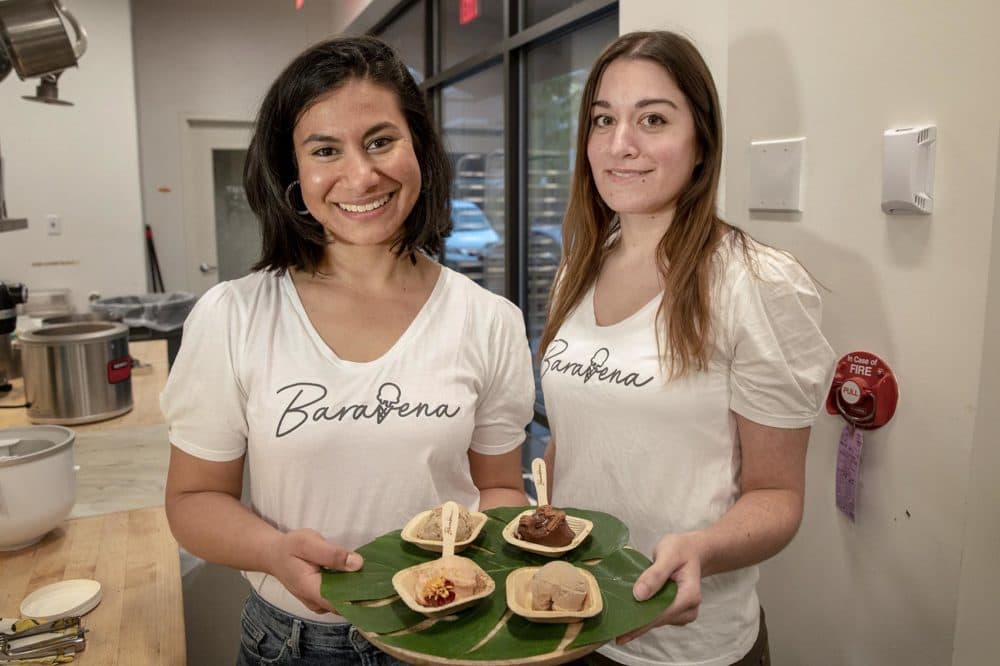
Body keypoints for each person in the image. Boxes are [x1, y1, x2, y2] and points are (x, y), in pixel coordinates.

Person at [161, 35, 534, 666]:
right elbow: (194, 501)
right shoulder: (234, 315)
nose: (361, 175)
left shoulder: (488, 320)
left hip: (448, 629)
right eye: (325, 150)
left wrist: (487, 566)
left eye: (382, 140)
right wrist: (271, 551)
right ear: (293, 171)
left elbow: (497, 488)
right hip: (297, 641)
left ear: (418, 146)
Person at [540, 31, 836, 666]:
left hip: (688, 647)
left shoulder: (755, 282)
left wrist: (701, 548)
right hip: (571, 623)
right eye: (603, 120)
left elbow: (777, 496)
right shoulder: (580, 267)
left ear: (701, 141)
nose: (622, 144)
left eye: (652, 119)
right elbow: (579, 433)